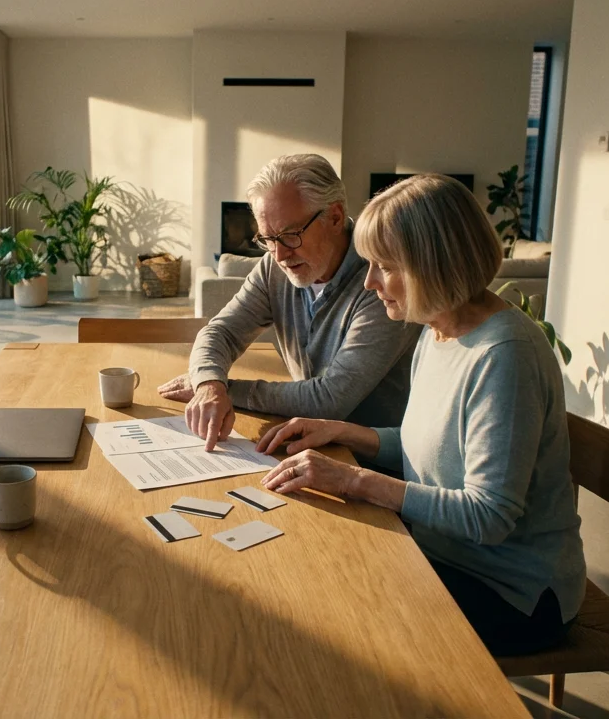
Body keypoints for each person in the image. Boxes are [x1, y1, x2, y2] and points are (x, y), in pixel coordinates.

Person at [255, 173, 586, 656]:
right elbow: (432, 442)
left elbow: (489, 516)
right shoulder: (437, 330)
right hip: (440, 552)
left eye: (384, 266)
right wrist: (343, 431)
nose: (369, 283)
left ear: (434, 265)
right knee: (311, 569)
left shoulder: (504, 355)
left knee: (328, 615)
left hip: (512, 590)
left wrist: (354, 480)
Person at [158, 154, 421, 451]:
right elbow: (221, 331)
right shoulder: (275, 266)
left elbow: (330, 401)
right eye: (267, 238)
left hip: (369, 459)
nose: (279, 255)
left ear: (334, 217)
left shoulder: (383, 279)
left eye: (290, 235)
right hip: (307, 441)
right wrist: (209, 385)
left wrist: (227, 389)